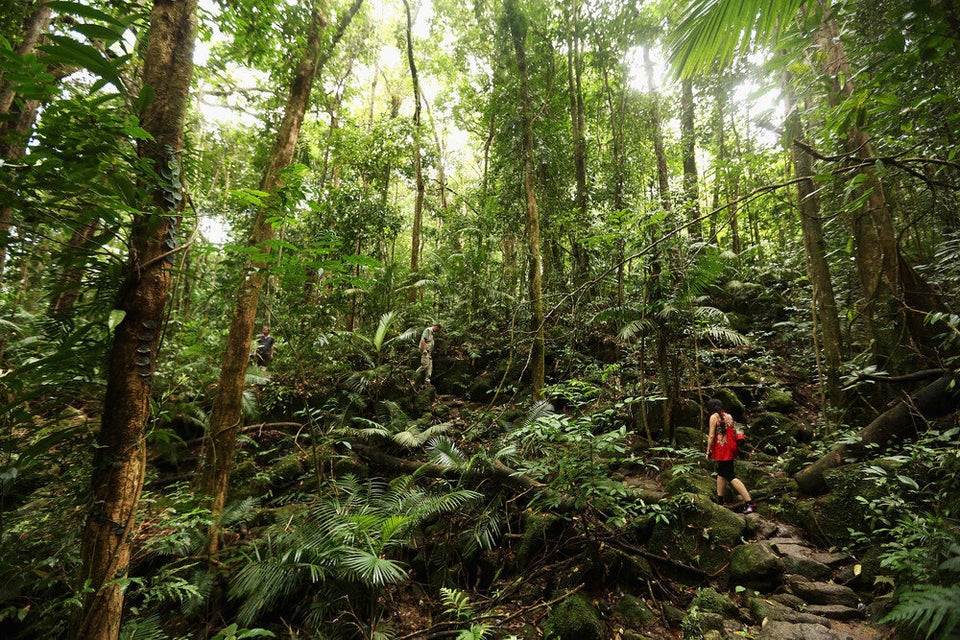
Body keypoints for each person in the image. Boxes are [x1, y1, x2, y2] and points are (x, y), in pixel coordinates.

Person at [705, 397, 757, 514]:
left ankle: (750, 503)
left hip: (723, 449)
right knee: (721, 473)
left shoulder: (713, 417)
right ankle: (720, 500)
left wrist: (708, 451)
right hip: (731, 447)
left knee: (730, 476)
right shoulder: (729, 416)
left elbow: (711, 435)